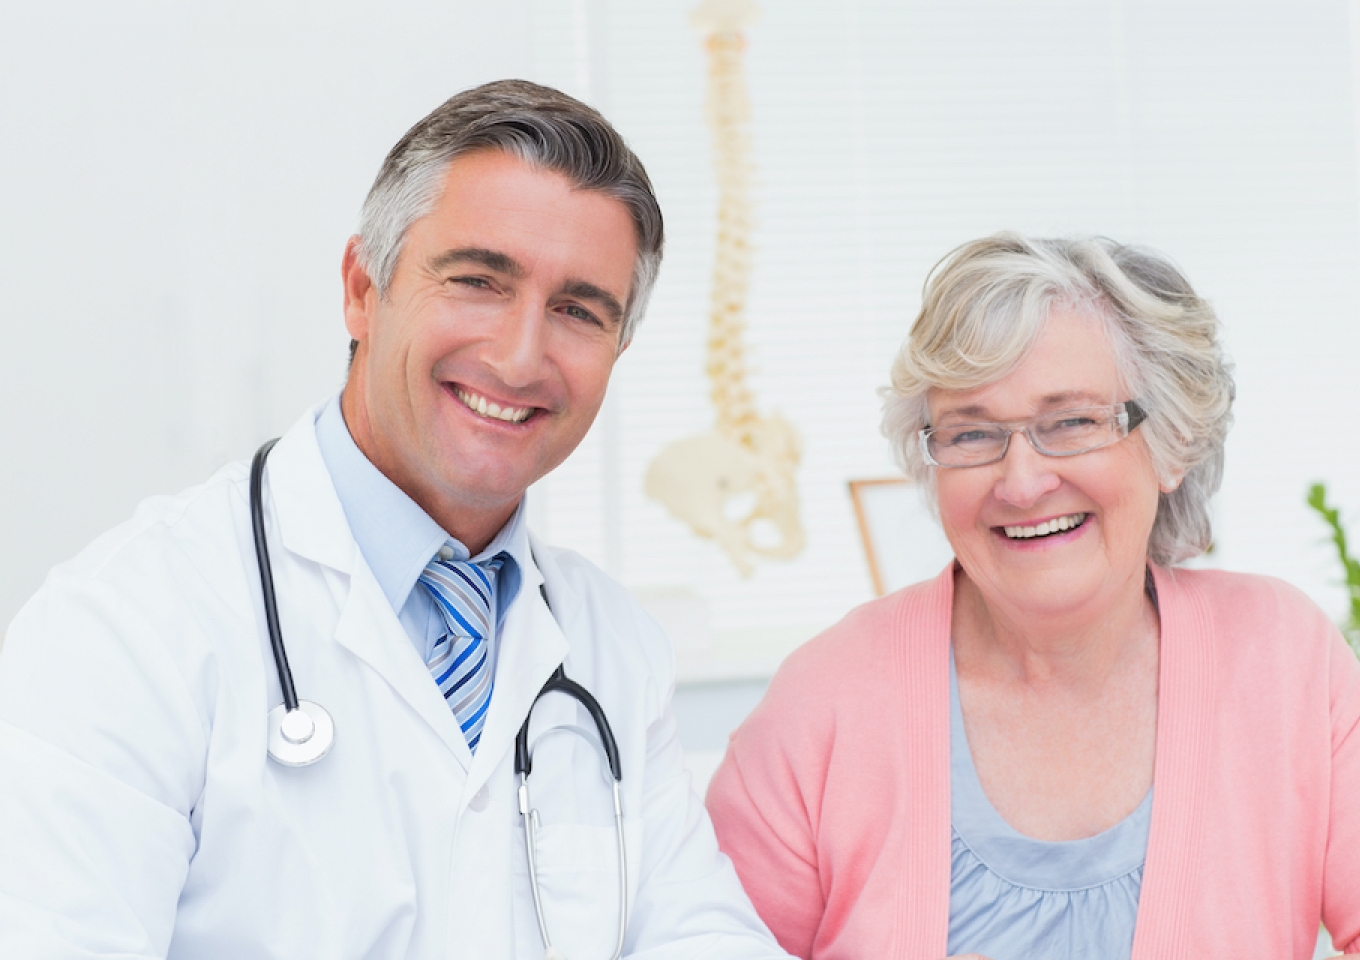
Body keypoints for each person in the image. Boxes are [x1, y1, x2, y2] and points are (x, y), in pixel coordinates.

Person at [0, 80, 790, 960]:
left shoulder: (614, 647)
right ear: (361, 289)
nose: (520, 357)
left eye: (577, 310)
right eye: (478, 281)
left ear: (619, 348)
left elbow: (699, 935)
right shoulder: (125, 625)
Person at [705, 233, 1360, 960]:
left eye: (1073, 422)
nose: (1022, 482)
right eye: (972, 434)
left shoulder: (1283, 657)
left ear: (1172, 442)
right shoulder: (825, 699)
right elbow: (696, 940)